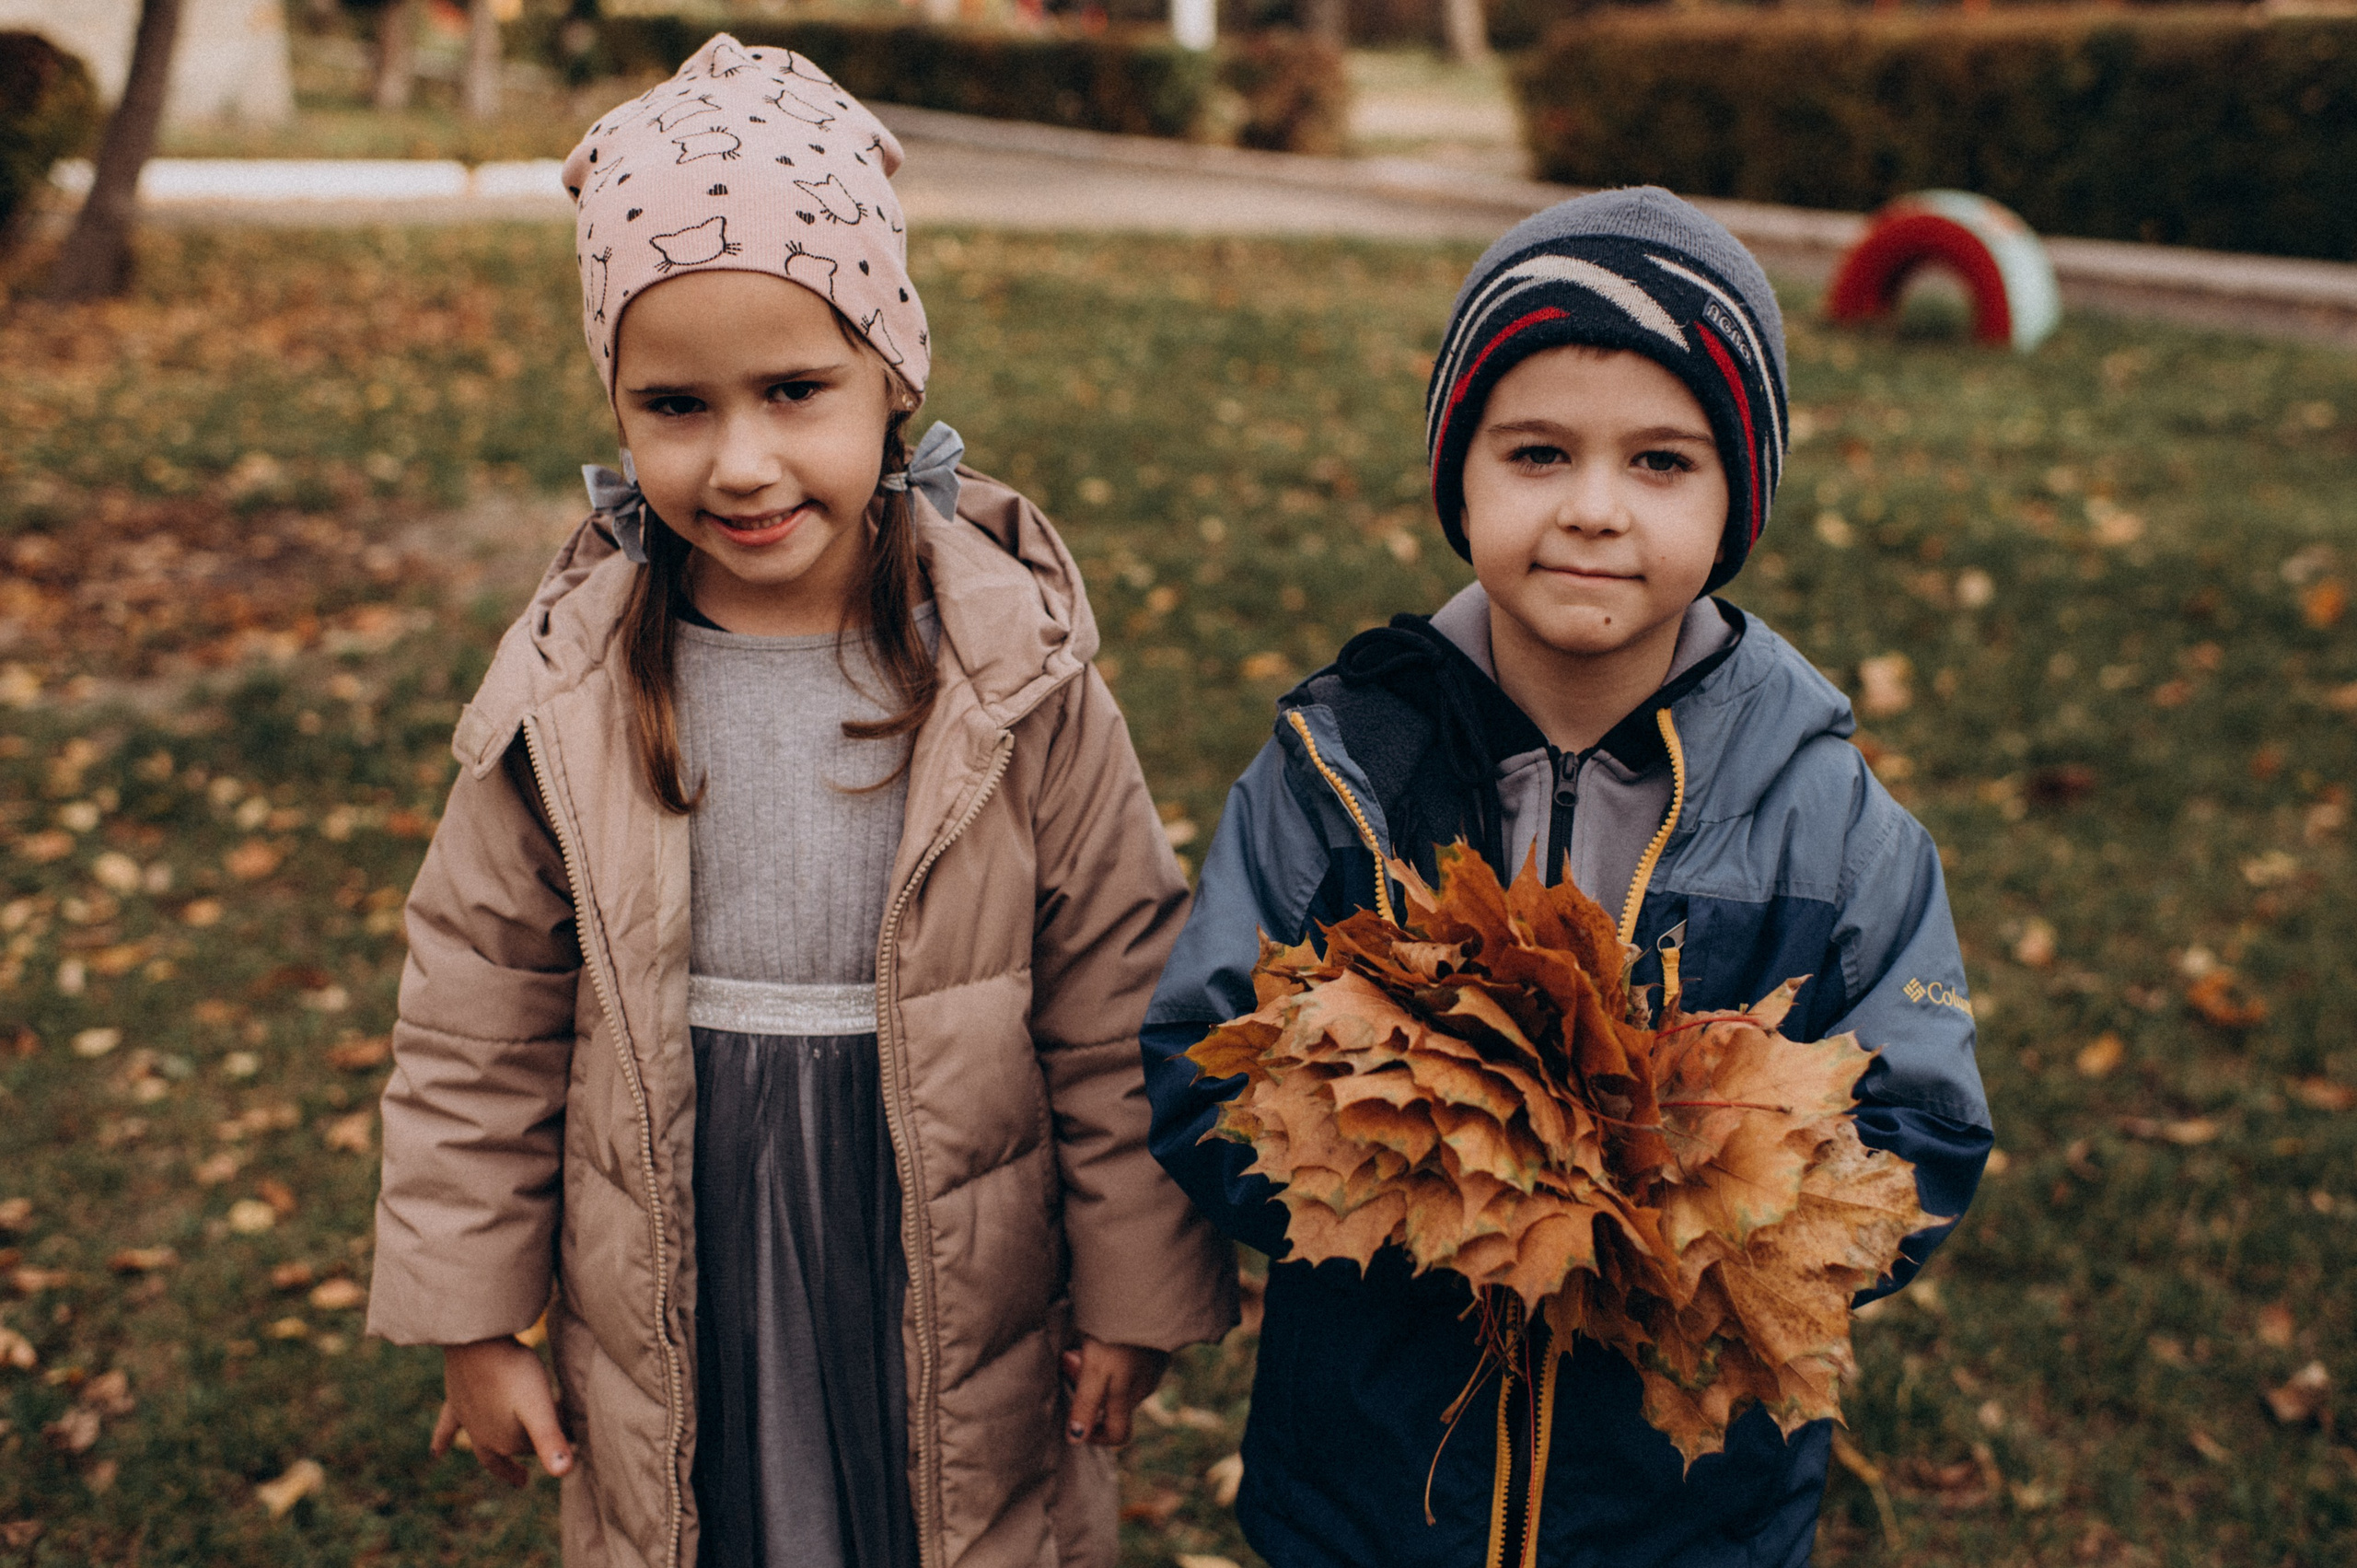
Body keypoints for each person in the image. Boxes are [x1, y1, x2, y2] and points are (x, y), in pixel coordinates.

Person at [366, 35, 1237, 1568]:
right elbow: (477, 1011)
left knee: (944, 1519)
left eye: (794, 389)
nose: (744, 460)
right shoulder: (574, 688)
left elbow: (1115, 994)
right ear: (619, 408)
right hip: (682, 1222)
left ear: (893, 376)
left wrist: (1132, 1290)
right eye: (678, 405)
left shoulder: (1013, 675)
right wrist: (475, 1313)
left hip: (941, 1222)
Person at [1142, 188, 1991, 1568]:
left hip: (1678, 1515)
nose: (1594, 510)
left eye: (1663, 463)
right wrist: (1437, 1176)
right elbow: (1200, 1057)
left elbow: (1924, 1141)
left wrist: (1697, 1218)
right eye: (1537, 452)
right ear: (1459, 478)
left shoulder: (1829, 827)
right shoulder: (1344, 771)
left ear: (1739, 498)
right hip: (1374, 1497)